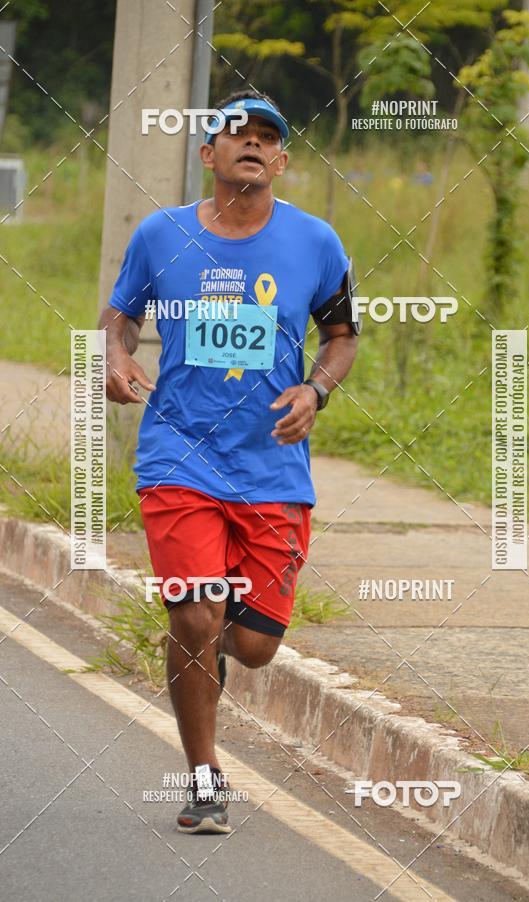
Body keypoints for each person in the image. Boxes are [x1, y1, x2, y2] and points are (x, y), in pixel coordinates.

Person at [99, 89, 359, 833]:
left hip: (272, 465)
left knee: (252, 647)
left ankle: (210, 645)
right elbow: (120, 314)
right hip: (178, 453)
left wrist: (316, 389)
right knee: (195, 611)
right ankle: (204, 776)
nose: (252, 143)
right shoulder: (162, 234)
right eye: (235, 134)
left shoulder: (316, 242)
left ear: (281, 160)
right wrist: (114, 353)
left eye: (266, 137)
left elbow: (342, 335)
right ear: (207, 154)